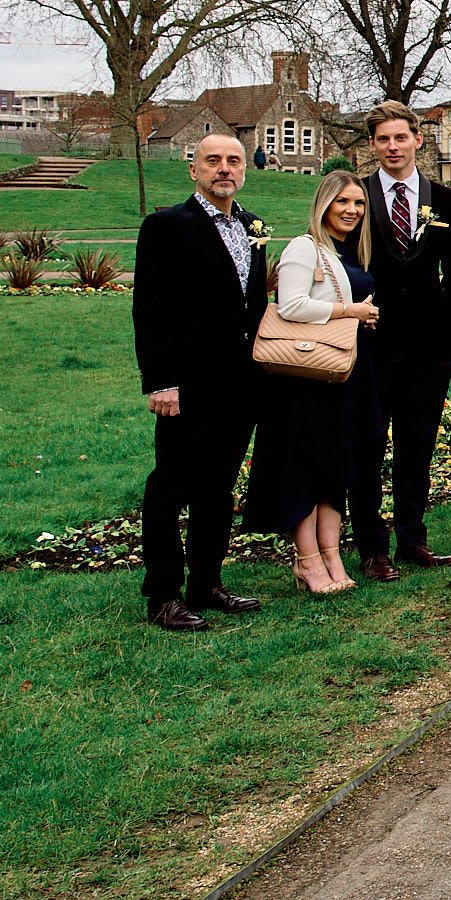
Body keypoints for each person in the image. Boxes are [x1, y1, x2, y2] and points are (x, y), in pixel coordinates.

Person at [131, 134, 269, 631]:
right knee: (171, 486)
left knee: (217, 487)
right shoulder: (167, 226)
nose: (224, 169)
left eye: (233, 161)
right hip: (186, 383)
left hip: (240, 382)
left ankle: (207, 582)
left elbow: (251, 305)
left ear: (244, 169)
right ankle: (163, 593)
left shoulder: (253, 226)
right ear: (194, 170)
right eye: (213, 161)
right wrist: (161, 381)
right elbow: (150, 310)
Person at [246, 171, 384, 596]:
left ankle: (332, 554)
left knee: (335, 466)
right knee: (306, 468)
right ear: (324, 204)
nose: (351, 210)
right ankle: (307, 560)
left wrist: (360, 317)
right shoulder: (304, 247)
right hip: (307, 377)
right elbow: (290, 305)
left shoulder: (351, 250)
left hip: (346, 372)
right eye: (343, 202)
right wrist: (350, 312)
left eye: (358, 203)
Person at [356, 101, 451, 579]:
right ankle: (371, 547)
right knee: (367, 446)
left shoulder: (447, 202)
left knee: (417, 444)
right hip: (371, 341)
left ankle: (413, 540)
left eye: (400, 137)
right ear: (372, 144)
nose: (392, 146)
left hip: (430, 344)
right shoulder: (357, 197)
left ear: (418, 140)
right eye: (383, 139)